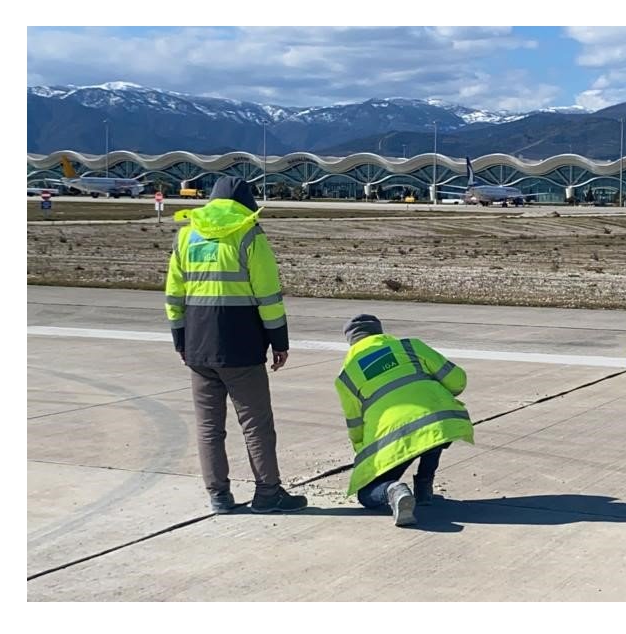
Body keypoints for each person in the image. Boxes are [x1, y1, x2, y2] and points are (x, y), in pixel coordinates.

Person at [165, 176, 307, 514]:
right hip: (241, 346)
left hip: (198, 345)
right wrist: (279, 341)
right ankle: (268, 493)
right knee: (256, 424)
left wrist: (180, 339)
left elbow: (174, 295)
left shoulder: (186, 235)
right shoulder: (249, 235)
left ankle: (218, 496)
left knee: (209, 427)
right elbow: (268, 297)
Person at [334, 314, 475, 527]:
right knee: (432, 428)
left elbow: (355, 425)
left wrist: (365, 456)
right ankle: (424, 487)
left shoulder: (346, 376)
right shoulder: (411, 346)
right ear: (379, 332)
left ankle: (393, 490)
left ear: (351, 342)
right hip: (438, 422)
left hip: (392, 438)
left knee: (366, 494)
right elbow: (457, 380)